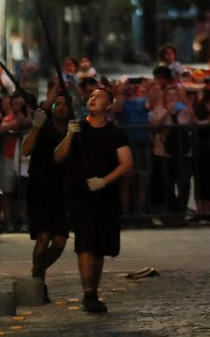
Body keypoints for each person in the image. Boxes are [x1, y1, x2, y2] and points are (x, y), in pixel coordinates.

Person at [55, 83, 133, 313]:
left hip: (105, 196)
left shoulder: (115, 133)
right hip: (80, 195)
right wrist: (69, 135)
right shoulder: (78, 128)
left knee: (99, 246)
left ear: (108, 105)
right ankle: (88, 292)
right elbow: (58, 157)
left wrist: (104, 181)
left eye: (99, 97)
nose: (93, 99)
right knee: (85, 243)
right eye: (91, 96)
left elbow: (126, 163)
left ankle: (94, 291)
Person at [22, 91, 72, 285]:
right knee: (43, 236)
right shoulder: (44, 127)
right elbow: (25, 150)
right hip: (40, 187)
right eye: (56, 104)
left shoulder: (74, 128)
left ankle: (39, 268)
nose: (60, 107)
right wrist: (36, 127)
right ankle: (37, 279)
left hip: (63, 190)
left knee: (59, 241)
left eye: (64, 104)